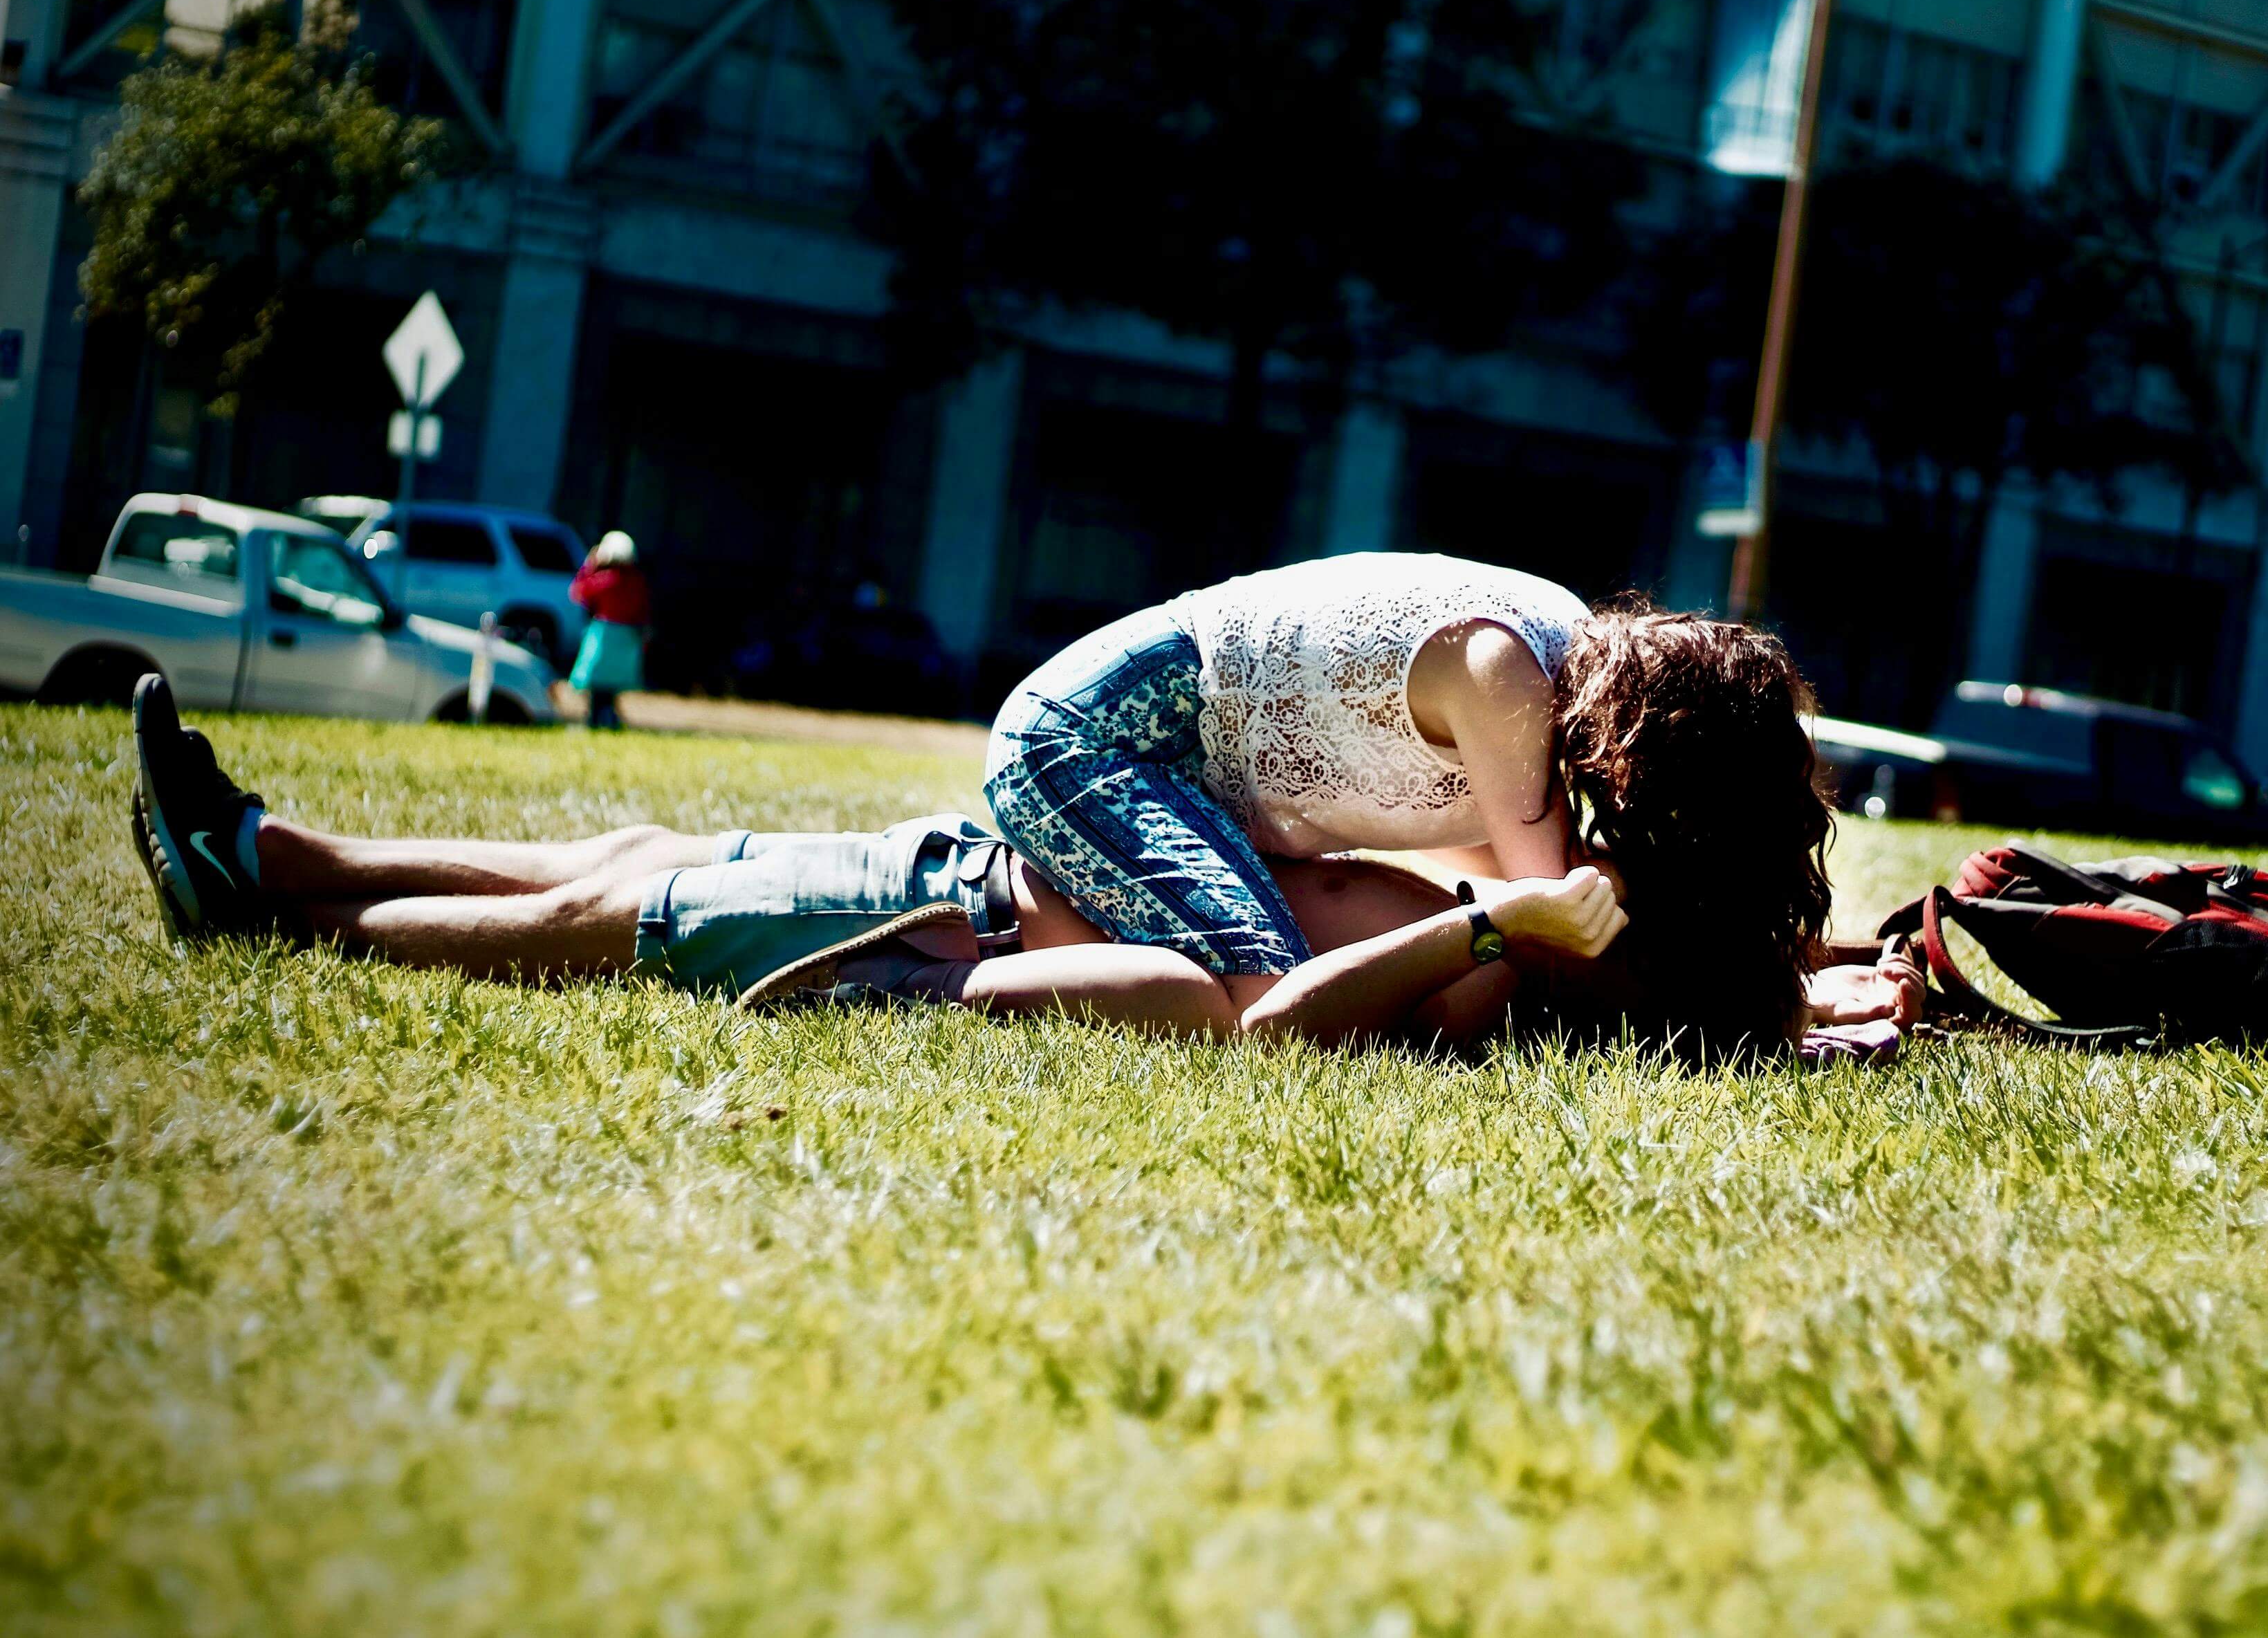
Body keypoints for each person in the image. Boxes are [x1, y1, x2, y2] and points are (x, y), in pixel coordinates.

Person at [120, 678, 1918, 1053]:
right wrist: (1830, 981)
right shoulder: (1559, 912)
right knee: (632, 846)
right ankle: (286, 851)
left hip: (950, 913)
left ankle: (268, 896)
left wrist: (1481, 914)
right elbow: (1741, 974)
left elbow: (1264, 1021)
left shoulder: (1485, 977)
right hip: (984, 857)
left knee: (624, 916)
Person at [981, 554, 1839, 1059]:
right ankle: (927, 986)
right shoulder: (1507, 676)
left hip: (1171, 763)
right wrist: (1776, 996)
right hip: (1086, 745)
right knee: (1273, 1004)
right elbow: (1555, 918)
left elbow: (1533, 887)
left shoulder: (1562, 658)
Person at [567, 531, 649, 730]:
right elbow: (644, 610)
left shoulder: (607, 580)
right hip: (628, 637)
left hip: (605, 636)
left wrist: (590, 565)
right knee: (609, 691)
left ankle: (598, 721)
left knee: (599, 688)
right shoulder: (637, 581)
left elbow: (577, 592)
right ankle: (608, 719)